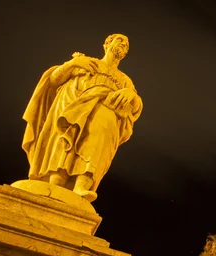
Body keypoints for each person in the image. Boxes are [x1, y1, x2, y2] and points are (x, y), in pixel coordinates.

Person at [21, 34, 143, 202]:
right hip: (71, 105)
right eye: (119, 40)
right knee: (64, 140)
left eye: (126, 44)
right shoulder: (85, 62)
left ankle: (81, 185)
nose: (123, 44)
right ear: (106, 44)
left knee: (95, 143)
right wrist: (72, 64)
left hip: (104, 115)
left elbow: (135, 109)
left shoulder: (125, 80)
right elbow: (54, 79)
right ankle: (55, 181)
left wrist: (133, 97)